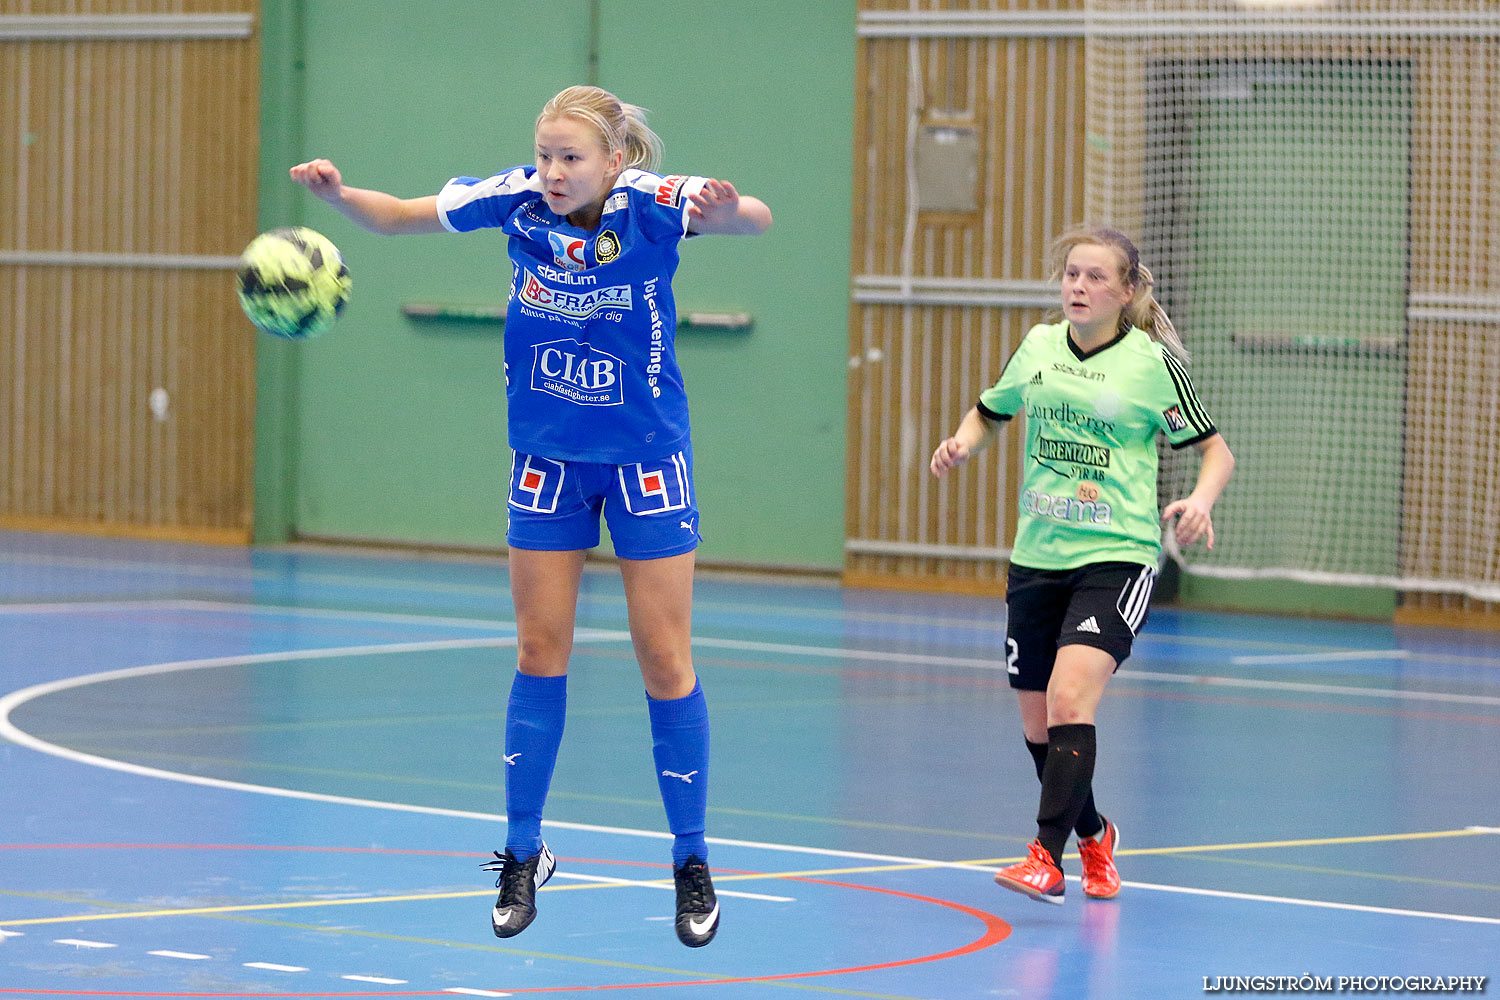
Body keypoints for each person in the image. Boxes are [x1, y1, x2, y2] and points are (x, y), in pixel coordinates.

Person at [290, 85, 772, 947]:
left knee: (665, 659)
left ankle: (691, 859)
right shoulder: (514, 198)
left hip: (646, 457)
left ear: (614, 161)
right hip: (547, 456)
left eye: (571, 157)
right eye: (546, 154)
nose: (552, 172)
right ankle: (522, 851)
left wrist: (725, 207)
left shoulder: (655, 205)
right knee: (536, 649)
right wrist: (335, 197)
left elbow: (754, 220)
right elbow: (399, 216)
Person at [929, 225, 1233, 905]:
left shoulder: (1150, 363)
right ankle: (1095, 832)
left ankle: (1046, 857)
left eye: (1096, 277)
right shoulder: (1038, 347)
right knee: (1041, 726)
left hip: (1117, 559)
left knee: (1071, 700)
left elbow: (1216, 450)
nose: (1078, 286)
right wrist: (960, 443)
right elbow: (988, 411)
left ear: (1126, 293)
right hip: (1037, 556)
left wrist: (1200, 499)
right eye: (1071, 274)